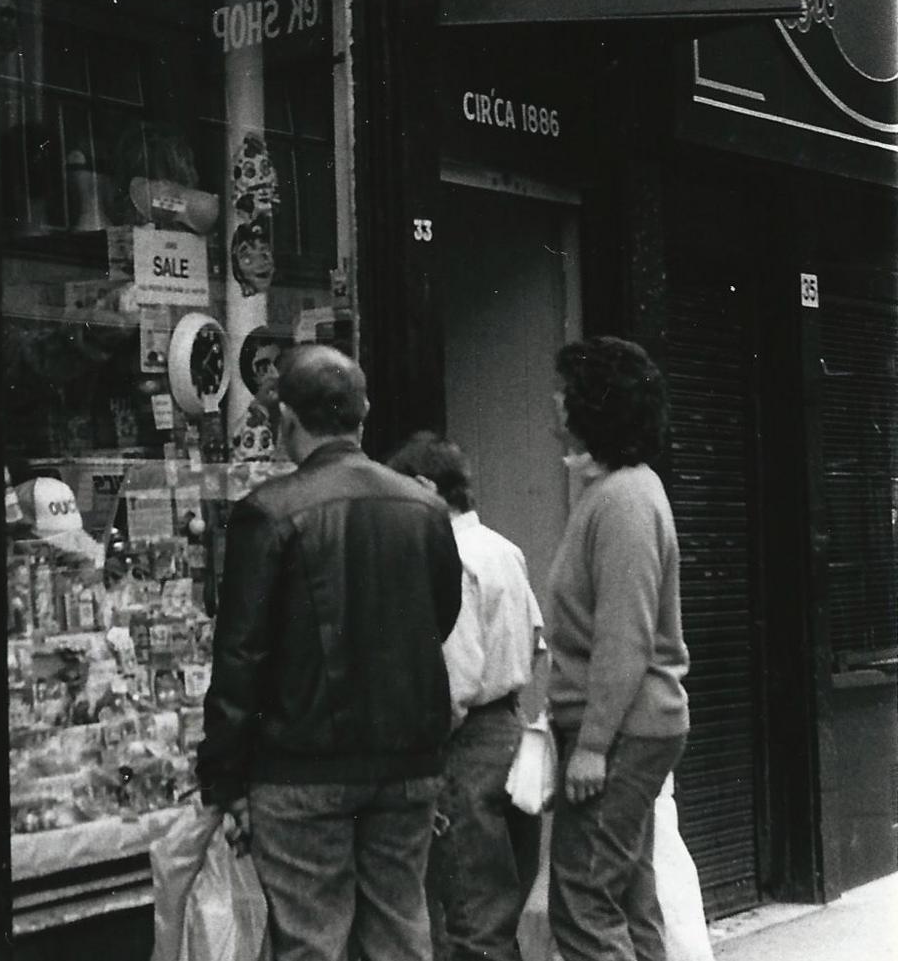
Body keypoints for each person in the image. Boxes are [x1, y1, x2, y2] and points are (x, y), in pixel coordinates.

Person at [197, 345, 463, 961]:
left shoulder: (268, 511)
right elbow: (441, 618)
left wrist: (224, 779)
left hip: (301, 766)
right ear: (361, 418)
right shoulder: (425, 509)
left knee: (311, 943)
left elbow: (240, 657)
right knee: (400, 930)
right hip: (407, 761)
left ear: (287, 418)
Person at [546, 336, 690, 961]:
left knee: (582, 903)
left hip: (619, 731)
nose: (555, 402)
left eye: (566, 391)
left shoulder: (624, 499)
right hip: (629, 726)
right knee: (628, 895)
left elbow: (625, 637)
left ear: (590, 406)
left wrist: (594, 745)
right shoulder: (620, 492)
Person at [389, 432, 547, 961]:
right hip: (511, 728)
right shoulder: (505, 549)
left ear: (427, 488)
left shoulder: (444, 555)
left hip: (465, 742)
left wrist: (425, 746)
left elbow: (453, 679)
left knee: (471, 918)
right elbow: (536, 639)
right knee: (499, 909)